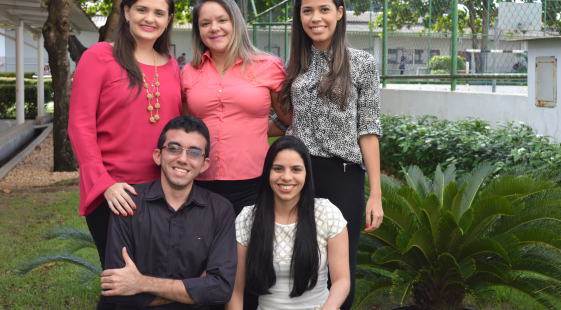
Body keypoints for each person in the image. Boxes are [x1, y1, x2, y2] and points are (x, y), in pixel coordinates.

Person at [278, 0, 384, 308]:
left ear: (339, 12)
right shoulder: (295, 63)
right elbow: (289, 119)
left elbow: (368, 128)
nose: (315, 18)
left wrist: (375, 193)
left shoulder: (362, 63)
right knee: (294, 259)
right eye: (307, 10)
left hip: (342, 177)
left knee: (341, 266)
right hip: (297, 174)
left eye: (324, 9)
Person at [68, 0, 182, 273]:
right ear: (127, 11)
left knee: (160, 280)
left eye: (159, 13)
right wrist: (104, 184)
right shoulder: (99, 56)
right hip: (114, 193)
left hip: (165, 193)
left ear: (168, 19)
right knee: (121, 282)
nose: (150, 18)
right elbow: (80, 125)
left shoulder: (172, 67)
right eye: (142, 9)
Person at [100, 116, 236, 309]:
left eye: (194, 153)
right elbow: (118, 294)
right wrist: (196, 288)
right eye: (173, 148)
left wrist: (141, 283)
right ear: (158, 155)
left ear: (204, 164)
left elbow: (220, 290)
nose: (182, 159)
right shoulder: (127, 203)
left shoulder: (220, 210)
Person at [181, 0, 290, 215]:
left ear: (236, 23)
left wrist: (257, 128)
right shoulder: (188, 72)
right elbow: (185, 127)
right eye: (205, 23)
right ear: (198, 30)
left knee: (247, 247)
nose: (214, 28)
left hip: (254, 182)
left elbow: (289, 119)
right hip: (199, 181)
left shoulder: (268, 66)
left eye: (222, 20)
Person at [227, 136, 350, 310]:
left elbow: (342, 280)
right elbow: (235, 289)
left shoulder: (327, 213)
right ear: (268, 171)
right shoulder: (247, 218)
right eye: (278, 168)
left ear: (306, 173)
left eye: (296, 169)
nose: (286, 177)